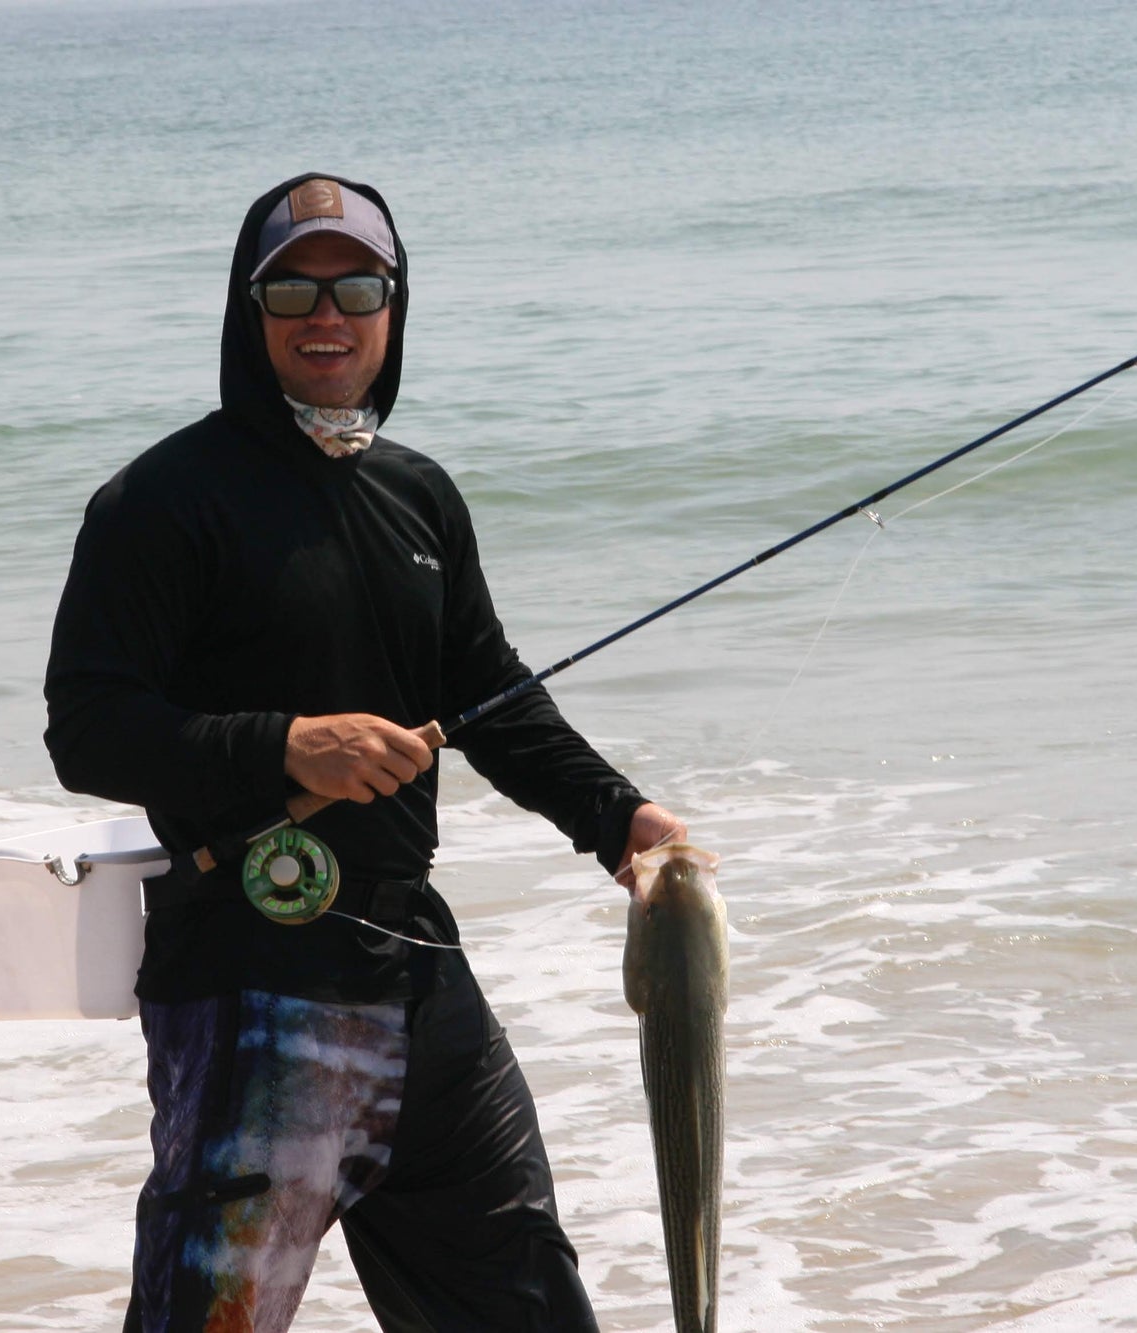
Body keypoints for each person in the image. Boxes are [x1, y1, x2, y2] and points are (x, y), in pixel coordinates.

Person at [45, 173, 685, 1333]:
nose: (325, 313)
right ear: (250, 309)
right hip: (251, 985)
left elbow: (491, 697)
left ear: (394, 307)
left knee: (532, 1308)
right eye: (292, 285)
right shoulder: (158, 501)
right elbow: (85, 727)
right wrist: (288, 744)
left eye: (357, 286)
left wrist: (619, 821)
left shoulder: (417, 496)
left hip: (421, 981)